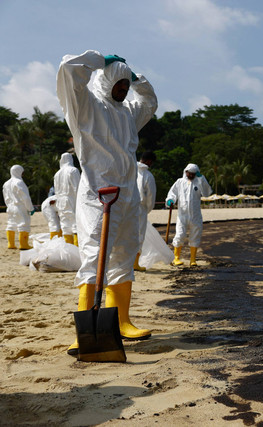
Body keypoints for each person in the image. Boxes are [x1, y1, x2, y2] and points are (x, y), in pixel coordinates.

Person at [57, 50, 157, 355]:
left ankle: (122, 321)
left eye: (127, 87)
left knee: (125, 255)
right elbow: (68, 70)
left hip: (126, 195)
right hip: (97, 195)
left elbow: (149, 103)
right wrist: (101, 61)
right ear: (107, 80)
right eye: (120, 85)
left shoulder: (126, 112)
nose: (124, 90)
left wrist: (138, 80)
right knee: (93, 256)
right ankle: (84, 330)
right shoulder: (85, 106)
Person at [165, 164, 212, 266]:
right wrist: (170, 200)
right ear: (185, 172)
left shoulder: (199, 183)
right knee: (180, 235)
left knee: (195, 235)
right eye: (189, 173)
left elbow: (207, 193)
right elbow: (172, 193)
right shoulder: (180, 182)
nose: (190, 175)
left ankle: (193, 259)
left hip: (195, 215)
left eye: (193, 174)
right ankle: (176, 258)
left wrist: (201, 178)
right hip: (182, 215)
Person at [2, 165, 35, 250]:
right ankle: (23, 245)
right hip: (20, 207)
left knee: (11, 224)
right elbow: (25, 197)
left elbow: (5, 197)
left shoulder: (6, 184)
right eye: (22, 172)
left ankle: (11, 244)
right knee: (23, 224)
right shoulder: (19, 182)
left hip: (10, 207)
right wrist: (30, 208)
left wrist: (8, 206)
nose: (23, 174)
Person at [134, 151, 157, 272]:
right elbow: (151, 196)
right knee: (138, 234)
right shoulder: (148, 176)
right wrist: (147, 209)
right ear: (149, 162)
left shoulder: (129, 169)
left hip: (126, 206)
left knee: (124, 232)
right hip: (140, 207)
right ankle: (135, 263)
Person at [53, 152, 81, 245]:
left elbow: (56, 190)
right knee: (76, 223)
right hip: (71, 199)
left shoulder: (57, 174)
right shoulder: (73, 170)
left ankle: (68, 248)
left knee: (65, 224)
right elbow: (77, 187)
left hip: (60, 200)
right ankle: (77, 248)